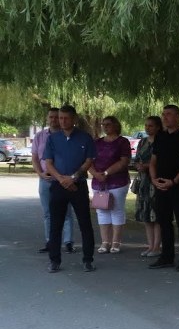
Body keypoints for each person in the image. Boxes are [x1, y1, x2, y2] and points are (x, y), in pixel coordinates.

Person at [42, 104, 97, 272]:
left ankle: (88, 259)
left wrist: (73, 177)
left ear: (74, 119)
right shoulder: (53, 138)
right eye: (60, 118)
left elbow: (89, 160)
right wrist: (61, 179)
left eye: (66, 118)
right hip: (58, 186)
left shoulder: (85, 137)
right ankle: (54, 260)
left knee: (85, 223)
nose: (62, 121)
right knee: (56, 224)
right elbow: (48, 163)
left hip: (78, 185)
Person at [149, 104, 179, 271]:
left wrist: (174, 181)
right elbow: (153, 161)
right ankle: (166, 256)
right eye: (163, 114)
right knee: (163, 221)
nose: (165, 117)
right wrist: (154, 179)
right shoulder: (160, 136)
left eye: (169, 114)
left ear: (178, 116)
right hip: (160, 185)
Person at [31, 107, 75, 254]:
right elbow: (35, 158)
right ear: (47, 118)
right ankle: (50, 242)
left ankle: (68, 242)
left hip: (63, 179)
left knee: (66, 212)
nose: (54, 120)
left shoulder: (67, 135)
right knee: (47, 213)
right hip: (46, 179)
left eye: (57, 117)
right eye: (51, 117)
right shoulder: (40, 136)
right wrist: (40, 173)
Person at [89, 115, 132, 254]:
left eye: (108, 124)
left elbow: (124, 161)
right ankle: (105, 242)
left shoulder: (122, 142)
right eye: (103, 124)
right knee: (102, 211)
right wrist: (95, 174)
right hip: (98, 183)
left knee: (116, 210)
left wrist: (107, 173)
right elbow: (88, 161)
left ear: (115, 125)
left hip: (117, 182)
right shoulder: (97, 143)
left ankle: (116, 242)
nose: (105, 127)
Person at [134, 115, 161, 257]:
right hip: (143, 181)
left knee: (156, 215)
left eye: (151, 126)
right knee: (145, 215)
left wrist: (147, 166)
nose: (147, 128)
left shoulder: (161, 141)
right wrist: (138, 165)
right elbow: (136, 158)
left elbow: (161, 161)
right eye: (146, 125)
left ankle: (157, 246)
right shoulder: (142, 142)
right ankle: (150, 246)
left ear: (157, 127)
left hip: (155, 180)